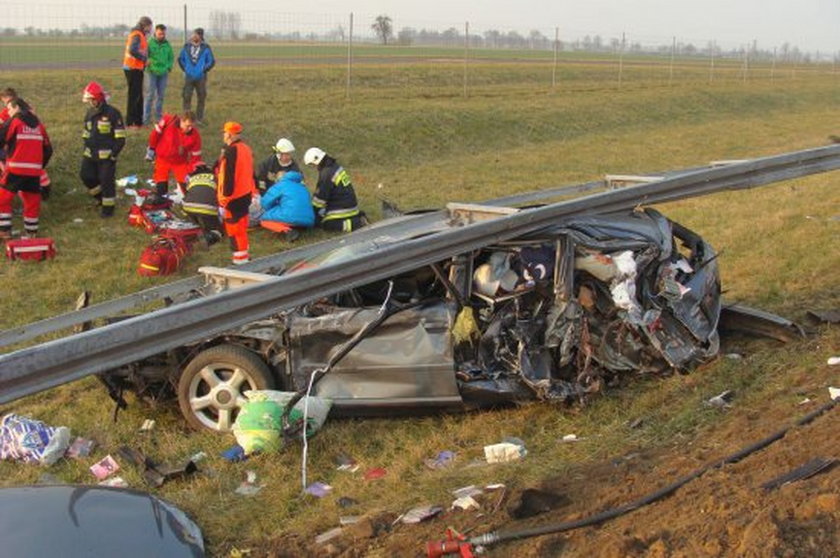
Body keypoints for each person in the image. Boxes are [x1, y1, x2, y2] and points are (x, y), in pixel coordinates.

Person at [0, 99, 52, 238]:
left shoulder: (15, 121)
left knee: (2, 200)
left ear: (17, 108)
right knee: (32, 203)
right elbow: (48, 150)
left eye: (9, 108)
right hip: (34, 172)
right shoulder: (39, 125)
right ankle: (31, 233)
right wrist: (38, 165)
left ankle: (4, 231)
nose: (8, 112)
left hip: (14, 170)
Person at [80, 81, 126, 217]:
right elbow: (86, 133)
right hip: (90, 155)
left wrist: (113, 155)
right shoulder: (89, 113)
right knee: (86, 176)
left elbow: (120, 138)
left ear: (98, 98)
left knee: (106, 182)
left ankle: (108, 209)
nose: (90, 102)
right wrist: (86, 147)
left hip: (107, 157)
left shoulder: (113, 113)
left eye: (92, 99)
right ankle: (100, 198)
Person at [0, 88, 51, 201]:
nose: (6, 106)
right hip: (33, 149)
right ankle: (45, 187)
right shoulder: (28, 109)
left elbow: (3, 130)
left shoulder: (9, 112)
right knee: (33, 165)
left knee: (7, 167)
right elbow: (47, 149)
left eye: (4, 101)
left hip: (14, 148)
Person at [215, 121, 255, 265]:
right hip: (245, 194)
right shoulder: (246, 148)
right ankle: (245, 256)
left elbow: (227, 177)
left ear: (230, 134)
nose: (224, 135)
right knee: (242, 228)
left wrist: (224, 200)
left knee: (234, 231)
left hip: (232, 198)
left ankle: (240, 261)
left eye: (225, 133)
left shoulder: (231, 152)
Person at [303, 147, 364, 232]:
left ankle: (357, 223)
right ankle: (357, 217)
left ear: (316, 161)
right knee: (322, 214)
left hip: (343, 207)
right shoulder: (334, 166)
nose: (314, 167)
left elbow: (320, 198)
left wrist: (312, 212)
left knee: (327, 224)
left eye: (312, 165)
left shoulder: (326, 173)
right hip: (349, 204)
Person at [146, 111, 202, 199]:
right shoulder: (168, 121)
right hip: (163, 159)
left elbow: (196, 156)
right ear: (181, 121)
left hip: (179, 162)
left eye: (192, 126)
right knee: (161, 188)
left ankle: (188, 203)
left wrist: (192, 170)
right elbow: (155, 134)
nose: (190, 128)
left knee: (186, 188)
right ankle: (161, 202)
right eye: (188, 126)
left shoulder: (194, 135)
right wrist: (151, 148)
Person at [259, 170, 314, 241]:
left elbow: (265, 202)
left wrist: (270, 209)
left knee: (263, 220)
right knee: (292, 216)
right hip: (308, 220)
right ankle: (298, 228)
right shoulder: (303, 187)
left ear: (279, 179)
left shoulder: (280, 185)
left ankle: (287, 231)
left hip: (290, 217)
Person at [178, 28, 215, 124]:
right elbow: (180, 59)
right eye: (193, 34)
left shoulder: (206, 48)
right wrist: (186, 69)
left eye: (197, 34)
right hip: (189, 76)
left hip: (201, 77)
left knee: (201, 97)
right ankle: (186, 118)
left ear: (201, 36)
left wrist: (203, 70)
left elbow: (211, 61)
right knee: (186, 97)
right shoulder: (186, 47)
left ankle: (199, 119)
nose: (194, 36)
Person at [182, 160, 222, 246]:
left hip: (188, 206)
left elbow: (187, 191)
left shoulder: (190, 178)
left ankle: (194, 226)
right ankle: (210, 237)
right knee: (217, 229)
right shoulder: (214, 177)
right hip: (207, 208)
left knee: (194, 212)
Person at [123, 16, 153, 129]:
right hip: (132, 68)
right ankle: (132, 122)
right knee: (134, 96)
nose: (151, 29)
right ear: (145, 25)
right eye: (150, 26)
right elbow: (132, 50)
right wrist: (144, 59)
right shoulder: (137, 34)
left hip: (135, 68)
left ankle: (138, 121)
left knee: (138, 95)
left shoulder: (139, 34)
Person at [143, 24, 174, 125]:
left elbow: (171, 57)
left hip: (163, 73)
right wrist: (149, 65)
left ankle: (158, 118)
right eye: (160, 33)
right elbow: (145, 56)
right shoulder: (149, 43)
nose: (162, 36)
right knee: (149, 95)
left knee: (160, 96)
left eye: (163, 34)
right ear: (155, 32)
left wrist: (168, 67)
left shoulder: (167, 45)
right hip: (151, 72)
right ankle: (146, 119)